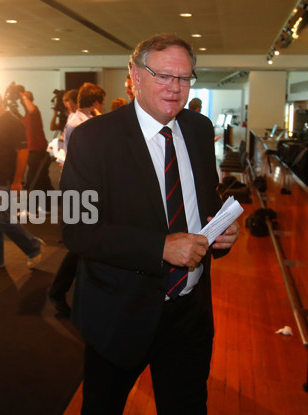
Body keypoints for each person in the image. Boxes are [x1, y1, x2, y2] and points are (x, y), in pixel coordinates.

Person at [60, 34, 240, 414]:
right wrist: (159, 247)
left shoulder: (199, 129)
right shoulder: (93, 138)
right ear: (134, 76)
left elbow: (199, 204)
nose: (175, 88)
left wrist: (221, 230)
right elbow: (77, 230)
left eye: (184, 78)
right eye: (162, 75)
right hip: (120, 312)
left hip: (190, 314)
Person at [48, 82, 105, 316]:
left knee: (84, 243)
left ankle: (63, 293)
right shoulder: (79, 124)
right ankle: (58, 292)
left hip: (81, 187)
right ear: (96, 102)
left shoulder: (80, 121)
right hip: (80, 189)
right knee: (80, 244)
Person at [0, 90, 44, 271]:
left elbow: (23, 152)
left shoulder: (12, 122)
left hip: (0, 177)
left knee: (2, 219)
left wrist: (17, 181)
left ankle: (33, 246)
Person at [20, 91, 52, 194]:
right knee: (42, 180)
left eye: (27, 97)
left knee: (33, 180)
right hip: (32, 151)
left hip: (38, 151)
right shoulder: (25, 117)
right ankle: (50, 204)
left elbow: (32, 109)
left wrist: (24, 96)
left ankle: (34, 206)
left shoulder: (35, 111)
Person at [63, 82, 105, 151]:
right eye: (102, 104)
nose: (103, 108)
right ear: (96, 104)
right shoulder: (79, 125)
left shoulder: (86, 119)